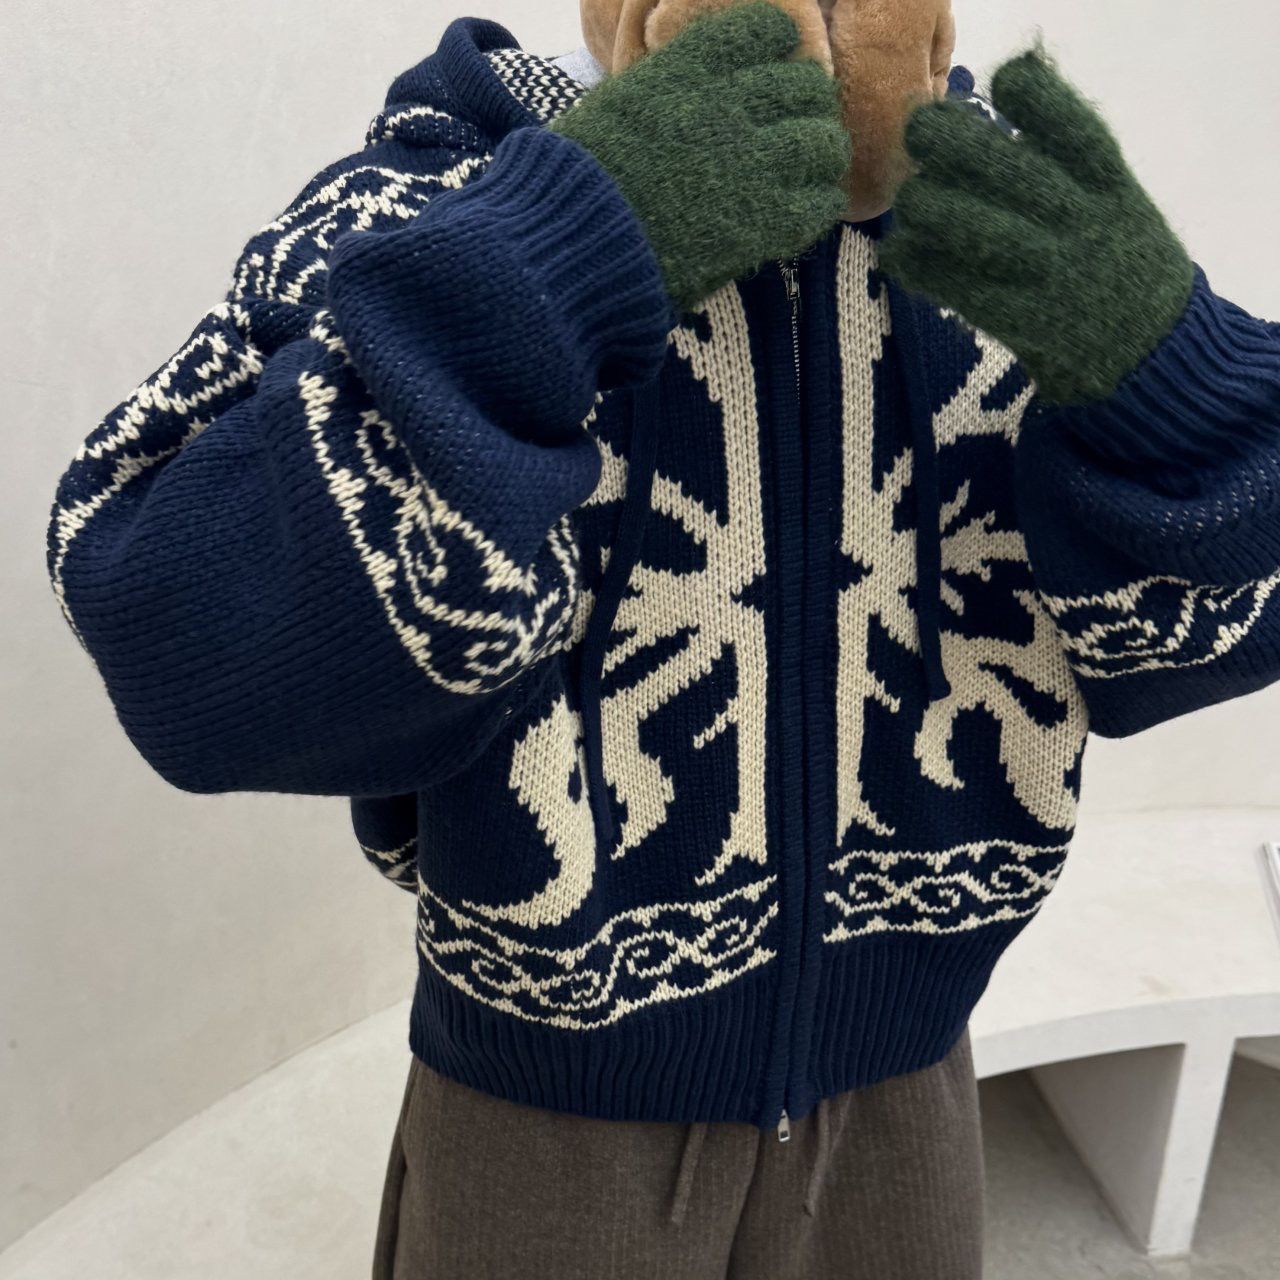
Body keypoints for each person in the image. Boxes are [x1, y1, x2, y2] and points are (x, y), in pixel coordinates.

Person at [46, 2, 1280, 1276]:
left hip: (906, 1088)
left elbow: (1185, 638)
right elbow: (170, 636)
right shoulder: (439, 191)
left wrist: (1167, 374)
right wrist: (551, 263)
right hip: (541, 1123)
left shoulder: (1002, 217)